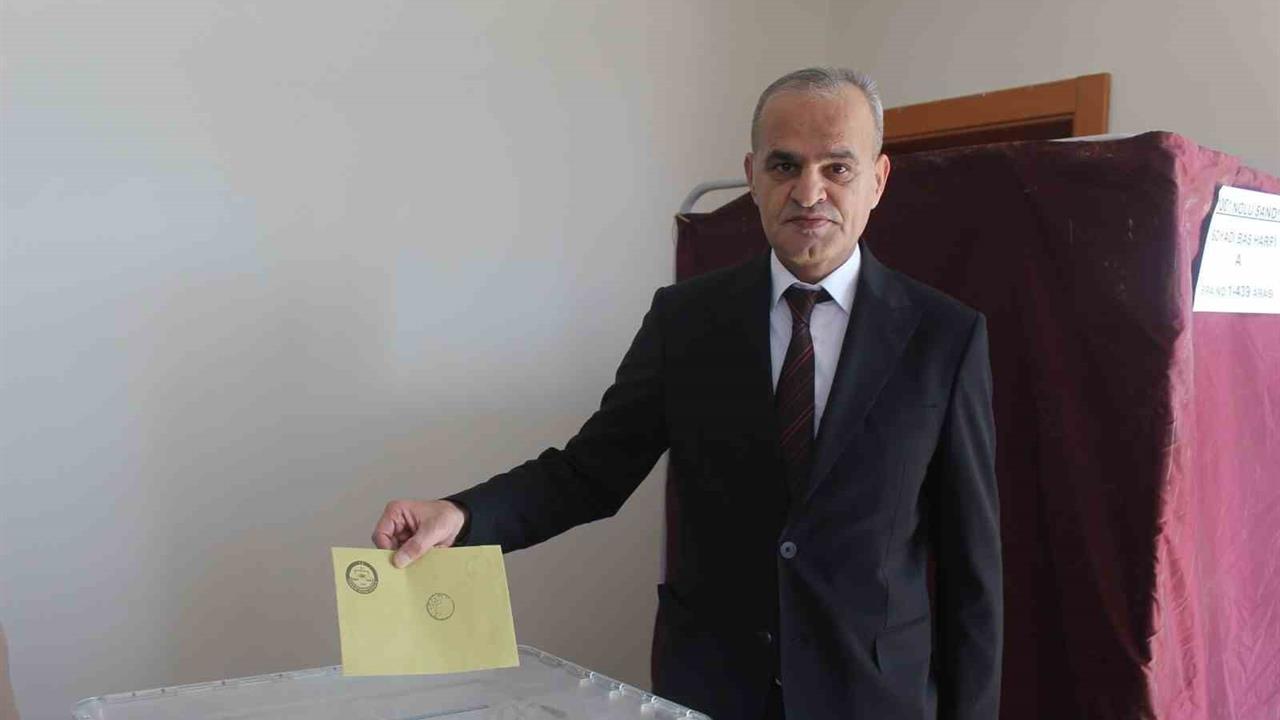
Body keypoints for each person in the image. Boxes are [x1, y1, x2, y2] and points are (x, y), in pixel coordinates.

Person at [372, 67, 1002, 720]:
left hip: (873, 698)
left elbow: (971, 571)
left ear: (878, 179)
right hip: (712, 691)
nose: (808, 191)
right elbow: (589, 473)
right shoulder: (685, 321)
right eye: (785, 165)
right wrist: (463, 515)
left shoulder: (944, 338)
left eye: (837, 168)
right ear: (753, 175)